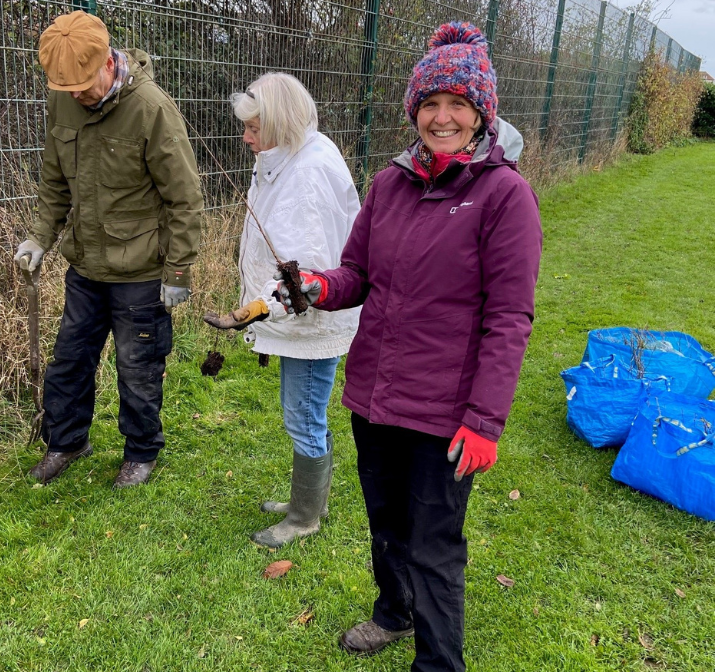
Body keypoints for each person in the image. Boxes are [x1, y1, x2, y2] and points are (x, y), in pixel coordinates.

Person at [279, 23, 542, 671]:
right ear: (414, 111)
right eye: (430, 103)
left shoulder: (504, 197)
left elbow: (509, 318)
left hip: (445, 415)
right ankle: (393, 613)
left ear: (481, 112)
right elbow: (357, 277)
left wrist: (483, 422)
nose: (442, 116)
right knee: (387, 526)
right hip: (375, 397)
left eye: (457, 104)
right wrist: (316, 286)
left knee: (433, 547)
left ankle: (437, 662)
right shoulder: (388, 186)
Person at [14, 11, 203, 488]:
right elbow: (55, 182)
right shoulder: (65, 103)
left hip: (140, 271)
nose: (76, 95)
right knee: (70, 360)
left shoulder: (152, 109)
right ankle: (67, 441)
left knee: (138, 369)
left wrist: (177, 272)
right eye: (65, 88)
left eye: (81, 84)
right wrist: (40, 237)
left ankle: (141, 453)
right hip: (85, 265)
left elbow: (185, 197)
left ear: (105, 61)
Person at [203, 72, 361, 548]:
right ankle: (308, 501)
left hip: (312, 321)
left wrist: (257, 307)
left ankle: (305, 517)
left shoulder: (309, 173)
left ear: (279, 122)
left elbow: (306, 274)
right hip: (298, 317)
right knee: (303, 412)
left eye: (253, 128)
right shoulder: (286, 159)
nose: (246, 137)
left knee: (304, 413)